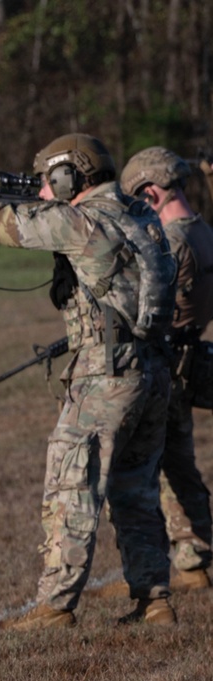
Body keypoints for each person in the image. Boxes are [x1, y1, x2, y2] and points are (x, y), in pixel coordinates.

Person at [0, 133, 178, 629]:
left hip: (104, 378)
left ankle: (56, 604)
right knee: (137, 491)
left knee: (71, 487)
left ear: (71, 177)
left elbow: (9, 225)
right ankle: (155, 600)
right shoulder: (139, 216)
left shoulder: (81, 220)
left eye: (49, 181)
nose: (44, 191)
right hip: (151, 370)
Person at [120, 146, 213, 592]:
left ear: (151, 194)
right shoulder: (201, 231)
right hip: (187, 358)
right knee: (180, 466)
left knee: (158, 467)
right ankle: (195, 554)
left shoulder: (174, 241)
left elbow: (140, 299)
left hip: (168, 364)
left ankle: (189, 554)